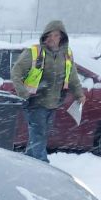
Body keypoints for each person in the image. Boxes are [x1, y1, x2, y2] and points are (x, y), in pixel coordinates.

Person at [11, 20, 85, 162]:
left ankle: (29, 160)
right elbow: (16, 71)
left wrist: (79, 94)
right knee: (38, 133)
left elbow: (73, 76)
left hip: (53, 102)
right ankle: (43, 163)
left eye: (56, 35)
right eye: (49, 35)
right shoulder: (34, 52)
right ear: (44, 36)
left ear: (62, 37)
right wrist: (23, 93)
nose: (52, 39)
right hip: (35, 101)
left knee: (40, 134)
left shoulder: (67, 54)